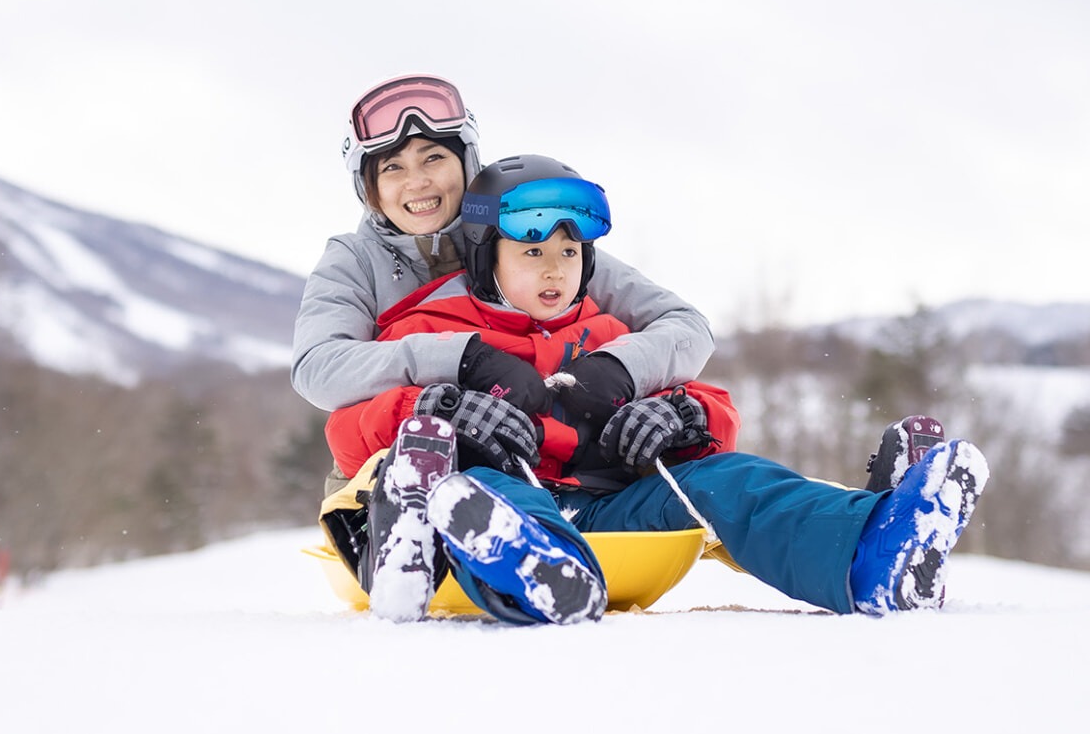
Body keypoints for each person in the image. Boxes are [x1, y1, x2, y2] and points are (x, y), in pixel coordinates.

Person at [319, 153, 991, 625]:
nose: (554, 270)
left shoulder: (611, 335)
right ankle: (534, 564)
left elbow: (716, 410)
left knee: (732, 482)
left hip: (612, 508)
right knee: (486, 490)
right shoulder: (433, 330)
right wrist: (436, 406)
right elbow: (349, 432)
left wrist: (679, 414)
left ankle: (875, 555)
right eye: (531, 253)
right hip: (508, 492)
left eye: (569, 253)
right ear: (481, 255)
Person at [292, 74, 715, 506]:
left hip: (538, 463)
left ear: (466, 162)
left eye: (433, 158)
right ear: (370, 188)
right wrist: (463, 362)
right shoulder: (356, 260)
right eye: (392, 168)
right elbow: (318, 369)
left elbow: (687, 327)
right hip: (395, 456)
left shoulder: (523, 231)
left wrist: (621, 366)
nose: (417, 182)